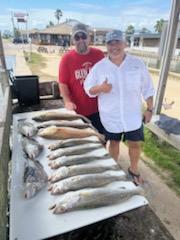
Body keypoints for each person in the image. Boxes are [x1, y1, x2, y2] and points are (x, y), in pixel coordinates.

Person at [84, 30, 155, 185]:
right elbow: (88, 88)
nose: (114, 46)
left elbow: (148, 88)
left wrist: (149, 109)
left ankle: (134, 169)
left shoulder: (137, 64)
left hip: (133, 116)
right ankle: (113, 170)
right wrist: (101, 88)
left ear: (125, 44)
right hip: (111, 116)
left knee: (135, 144)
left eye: (117, 42)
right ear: (106, 46)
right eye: (110, 43)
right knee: (113, 143)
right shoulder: (99, 67)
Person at [58, 23, 104, 133]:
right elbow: (63, 83)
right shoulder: (66, 59)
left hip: (99, 110)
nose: (80, 40)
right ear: (73, 40)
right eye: (77, 37)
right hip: (77, 111)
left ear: (89, 38)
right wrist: (67, 101)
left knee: (101, 140)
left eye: (83, 36)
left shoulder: (99, 55)